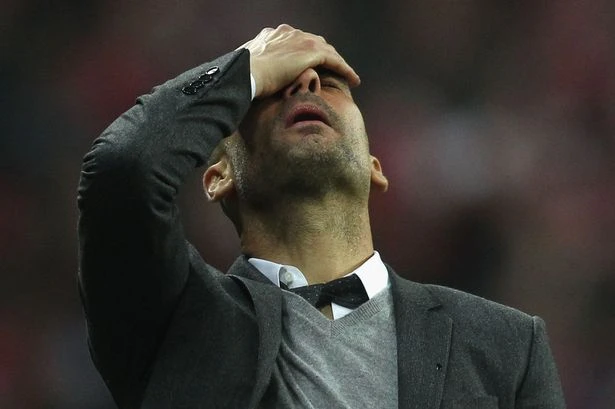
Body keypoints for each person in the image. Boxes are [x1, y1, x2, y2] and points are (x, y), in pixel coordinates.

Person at [77, 24, 566, 408]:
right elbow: (123, 170)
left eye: (330, 83)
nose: (306, 82)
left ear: (374, 167)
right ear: (218, 177)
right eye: (272, 92)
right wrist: (245, 70)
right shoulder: (177, 318)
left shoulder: (506, 346)